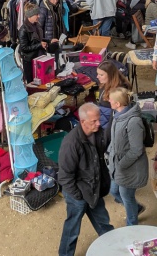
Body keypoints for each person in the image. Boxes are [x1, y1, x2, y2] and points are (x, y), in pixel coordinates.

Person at [57, 103, 114, 256]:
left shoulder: (98, 132)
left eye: (98, 119)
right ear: (82, 121)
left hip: (95, 188)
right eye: (94, 121)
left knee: (103, 223)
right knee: (72, 229)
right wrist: (78, 196)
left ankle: (113, 249)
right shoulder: (71, 143)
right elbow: (64, 176)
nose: (99, 123)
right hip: (78, 193)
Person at [106, 87, 148, 226]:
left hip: (130, 168)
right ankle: (136, 208)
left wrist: (121, 164)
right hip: (118, 165)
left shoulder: (133, 121)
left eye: (111, 99)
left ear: (118, 103)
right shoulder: (117, 115)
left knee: (126, 196)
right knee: (113, 191)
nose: (108, 101)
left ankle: (132, 225)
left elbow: (136, 149)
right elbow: (114, 140)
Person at [18, 3, 48, 83]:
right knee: (32, 83)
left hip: (38, 57)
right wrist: (40, 45)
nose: (39, 16)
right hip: (29, 61)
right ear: (30, 16)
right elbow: (24, 48)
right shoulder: (23, 30)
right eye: (36, 14)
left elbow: (39, 40)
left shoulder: (37, 25)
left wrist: (49, 40)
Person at [95, 61, 130, 128]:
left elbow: (119, 111)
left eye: (101, 75)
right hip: (103, 115)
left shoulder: (119, 90)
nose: (97, 77)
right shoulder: (104, 83)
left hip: (110, 120)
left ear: (110, 75)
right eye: (97, 74)